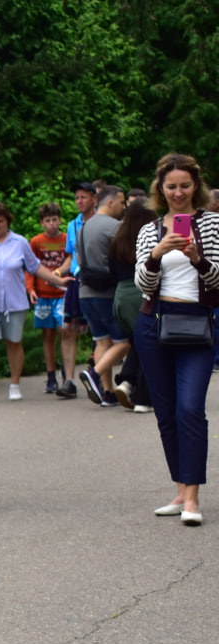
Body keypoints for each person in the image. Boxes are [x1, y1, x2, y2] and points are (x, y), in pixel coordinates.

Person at [134, 153, 219, 526]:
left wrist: (198, 259)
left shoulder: (214, 225)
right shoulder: (149, 230)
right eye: (172, 186)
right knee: (166, 413)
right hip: (154, 325)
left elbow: (217, 283)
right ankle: (181, 490)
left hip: (197, 325)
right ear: (161, 189)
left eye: (185, 185)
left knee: (189, 410)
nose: (179, 192)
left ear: (196, 187)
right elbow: (142, 284)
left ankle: (193, 499)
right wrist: (156, 255)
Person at [0, 202, 70, 402]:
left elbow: (35, 267)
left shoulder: (19, 242)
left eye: (0, 221)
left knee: (14, 342)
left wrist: (58, 280)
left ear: (7, 221)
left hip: (14, 303)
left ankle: (14, 385)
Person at [75, 185, 130, 406]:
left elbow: (79, 259)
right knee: (124, 342)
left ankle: (108, 393)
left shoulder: (83, 228)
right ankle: (94, 374)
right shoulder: (116, 228)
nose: (124, 206)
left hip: (85, 291)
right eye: (121, 202)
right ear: (109, 202)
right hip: (107, 292)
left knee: (102, 340)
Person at [109, 199, 157, 411]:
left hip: (120, 297)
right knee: (150, 346)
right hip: (140, 294)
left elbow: (110, 268)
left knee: (138, 342)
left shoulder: (118, 238)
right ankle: (142, 397)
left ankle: (127, 380)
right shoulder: (150, 237)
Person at [55, 181, 98, 397]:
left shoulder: (104, 222)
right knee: (67, 330)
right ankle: (69, 381)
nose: (79, 201)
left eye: (84, 197)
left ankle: (99, 379)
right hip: (76, 280)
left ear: (94, 199)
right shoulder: (73, 225)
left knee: (99, 332)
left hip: (98, 281)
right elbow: (70, 256)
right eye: (77, 198)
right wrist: (57, 272)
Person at [27, 203, 70, 393]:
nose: (52, 224)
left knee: (64, 330)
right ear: (42, 223)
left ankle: (66, 373)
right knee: (48, 335)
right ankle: (50, 376)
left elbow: (72, 259)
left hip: (63, 293)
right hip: (43, 294)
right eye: (48, 220)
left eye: (55, 220)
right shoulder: (36, 242)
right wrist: (30, 289)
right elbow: (30, 267)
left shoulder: (67, 239)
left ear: (60, 220)